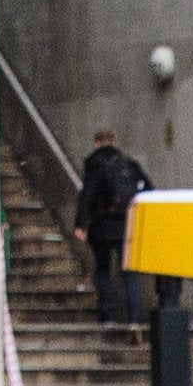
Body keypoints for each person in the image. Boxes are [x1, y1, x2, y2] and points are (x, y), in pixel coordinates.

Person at [76, 129, 150, 325]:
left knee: (102, 270)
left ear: (96, 143)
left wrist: (80, 223)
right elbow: (149, 190)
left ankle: (107, 316)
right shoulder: (129, 164)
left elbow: (88, 193)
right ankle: (135, 317)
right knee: (129, 273)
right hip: (127, 225)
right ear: (114, 143)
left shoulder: (94, 163)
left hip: (102, 225)